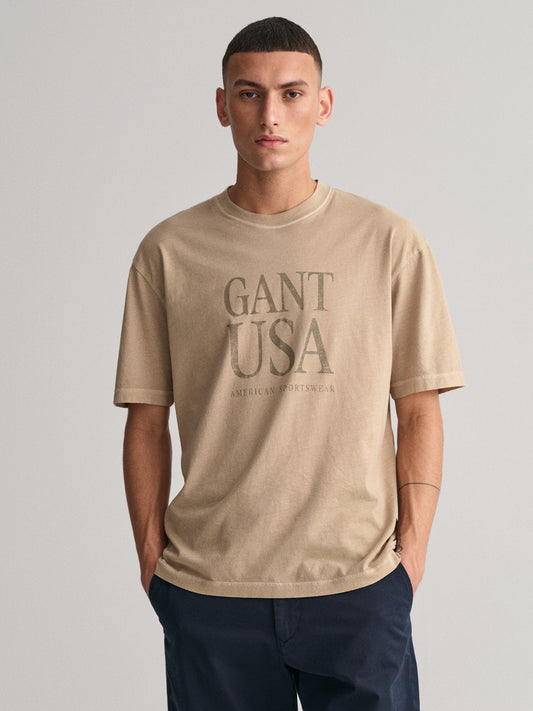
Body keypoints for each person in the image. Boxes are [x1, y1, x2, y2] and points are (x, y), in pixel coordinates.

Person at [113, 16, 465, 711]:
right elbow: (146, 422)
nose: (269, 115)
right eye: (249, 93)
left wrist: (410, 557)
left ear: (323, 105)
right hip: (211, 590)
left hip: (359, 586)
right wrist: (154, 563)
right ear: (222, 106)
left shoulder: (387, 242)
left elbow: (419, 409)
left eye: (291, 93)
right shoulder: (169, 251)